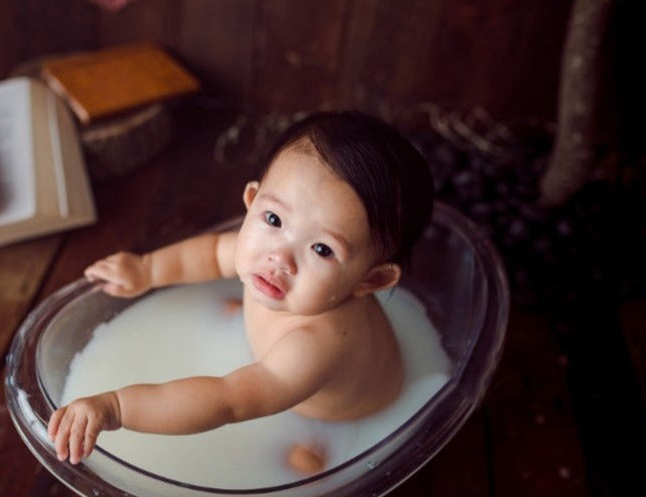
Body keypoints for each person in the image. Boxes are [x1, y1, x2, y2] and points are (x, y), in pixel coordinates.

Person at [47, 110, 435, 472]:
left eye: (322, 249)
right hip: (282, 369)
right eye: (273, 218)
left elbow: (228, 400)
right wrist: (146, 270)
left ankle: (326, 452)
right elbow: (209, 254)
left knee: (308, 467)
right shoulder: (271, 255)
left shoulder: (316, 345)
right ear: (251, 202)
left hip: (338, 415)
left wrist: (116, 407)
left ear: (371, 281)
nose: (279, 256)